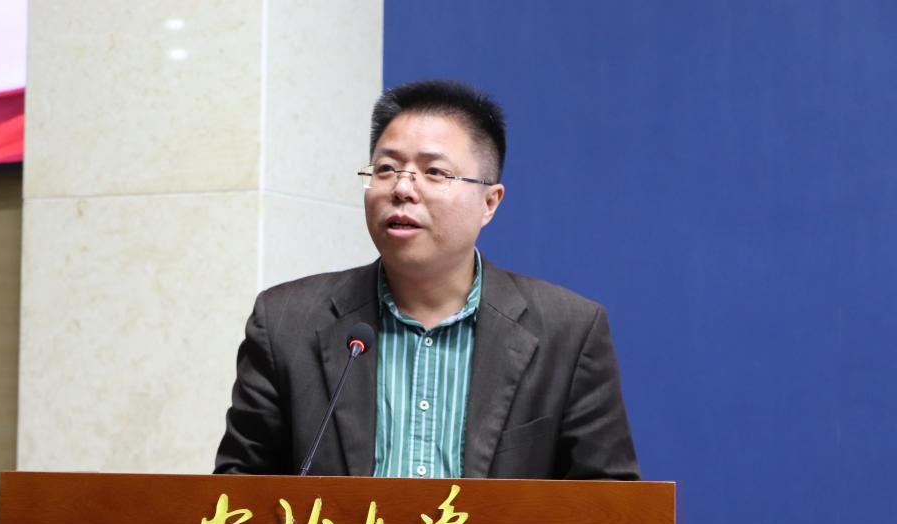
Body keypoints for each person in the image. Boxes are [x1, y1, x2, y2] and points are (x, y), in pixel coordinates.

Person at [215, 80, 639, 480]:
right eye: (386, 168)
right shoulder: (286, 323)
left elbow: (610, 508)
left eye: (434, 172)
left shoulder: (568, 332)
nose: (402, 188)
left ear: (489, 202)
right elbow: (236, 498)